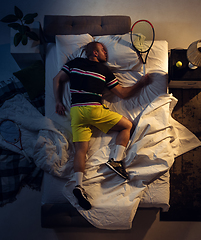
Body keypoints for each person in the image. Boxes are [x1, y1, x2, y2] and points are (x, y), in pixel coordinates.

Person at [53, 41, 151, 210]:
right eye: (103, 49)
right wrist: (141, 84)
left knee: (81, 151)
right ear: (95, 53)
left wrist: (58, 102)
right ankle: (116, 160)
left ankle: (78, 186)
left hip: (76, 112)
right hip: (93, 109)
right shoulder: (104, 70)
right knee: (127, 125)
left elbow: (57, 79)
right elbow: (123, 94)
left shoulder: (73, 64)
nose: (106, 52)